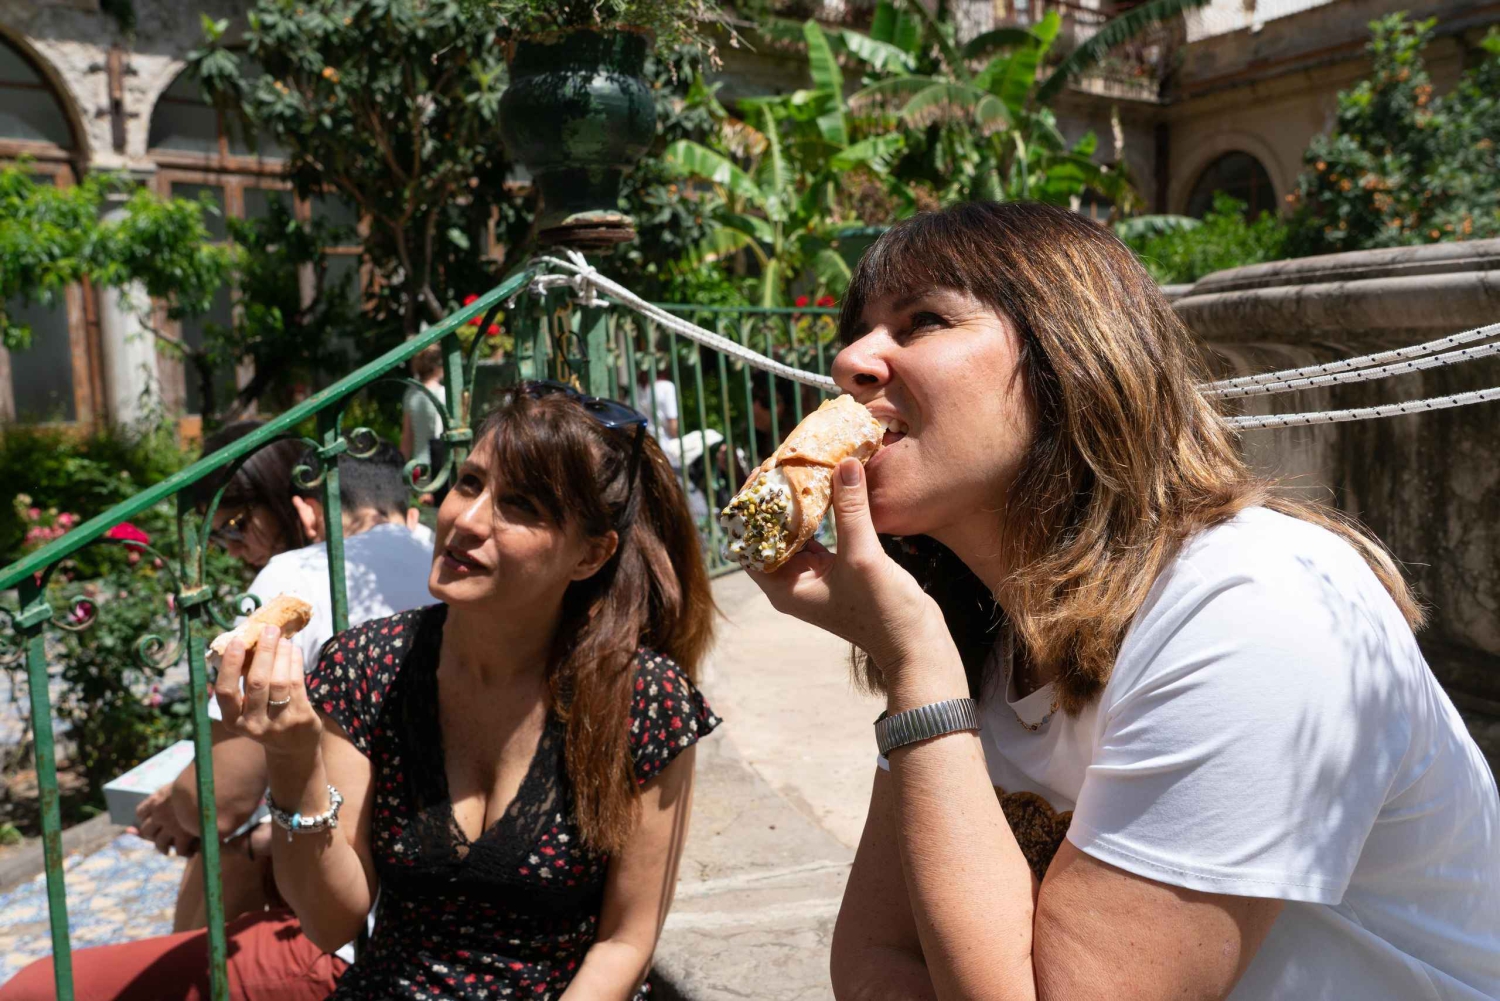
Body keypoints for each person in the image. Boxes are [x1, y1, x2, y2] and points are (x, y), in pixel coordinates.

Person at [750, 202, 1500, 1000]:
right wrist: (926, 664)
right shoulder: (979, 630)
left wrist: (920, 671)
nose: (852, 362)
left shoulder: (1250, 607)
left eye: (923, 319)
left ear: (1074, 356)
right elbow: (878, 963)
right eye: (857, 330)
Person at [205, 381, 717, 999]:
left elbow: (624, 943)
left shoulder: (647, 701)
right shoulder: (368, 669)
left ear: (590, 555)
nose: (466, 521)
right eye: (469, 484)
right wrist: (292, 761)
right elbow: (330, 920)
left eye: (521, 505)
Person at [0, 434, 435, 1001]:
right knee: (239, 854)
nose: (230, 547)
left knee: (32, 987)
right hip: (418, 893)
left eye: (235, 525)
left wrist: (172, 804)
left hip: (362, 933)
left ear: (302, 507)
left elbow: (220, 798)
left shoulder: (298, 577)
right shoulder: (436, 558)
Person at [402, 343, 446, 503]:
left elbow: (406, 438)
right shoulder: (443, 395)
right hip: (439, 466)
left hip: (417, 467)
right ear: (438, 366)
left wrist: (401, 469)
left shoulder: (411, 393)